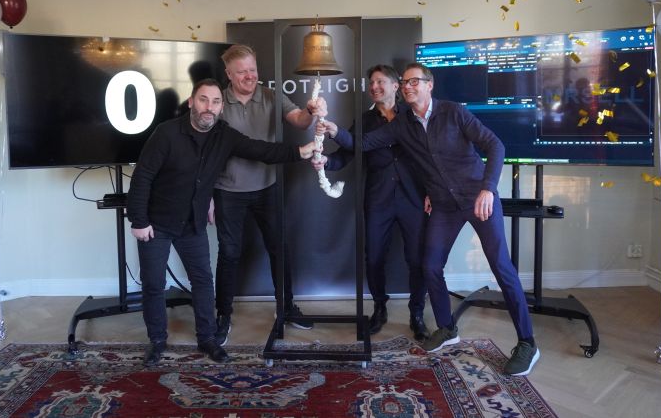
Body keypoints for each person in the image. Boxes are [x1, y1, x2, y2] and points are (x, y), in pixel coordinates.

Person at [316, 63, 540, 376]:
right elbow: (364, 144)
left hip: (478, 199)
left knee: (501, 266)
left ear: (429, 85)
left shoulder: (453, 112)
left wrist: (488, 189)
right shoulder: (403, 123)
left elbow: (495, 145)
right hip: (444, 206)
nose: (408, 87)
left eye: (413, 82)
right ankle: (447, 328)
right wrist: (333, 130)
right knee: (430, 266)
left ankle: (527, 343)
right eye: (405, 82)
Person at [126, 78, 318, 366]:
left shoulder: (223, 135)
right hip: (158, 222)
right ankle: (157, 340)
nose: (209, 107)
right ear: (191, 102)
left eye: (216, 102)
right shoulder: (166, 133)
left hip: (192, 223)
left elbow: (260, 151)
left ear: (220, 108)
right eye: (203, 100)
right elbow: (142, 177)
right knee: (154, 284)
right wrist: (138, 220)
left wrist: (301, 151)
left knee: (203, 282)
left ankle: (208, 339)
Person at [212, 44, 327, 345]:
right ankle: (222, 314)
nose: (250, 76)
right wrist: (208, 197)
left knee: (280, 248)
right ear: (228, 74)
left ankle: (286, 308)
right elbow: (210, 152)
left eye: (253, 69)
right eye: (242, 72)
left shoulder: (270, 95)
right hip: (228, 190)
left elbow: (300, 121)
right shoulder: (218, 102)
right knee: (229, 253)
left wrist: (310, 112)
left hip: (267, 186)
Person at [312, 65, 430, 341]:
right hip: (378, 199)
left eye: (380, 82)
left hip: (413, 198)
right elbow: (348, 151)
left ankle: (416, 313)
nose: (374, 86)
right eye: (371, 83)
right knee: (374, 257)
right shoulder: (365, 120)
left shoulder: (412, 114)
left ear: (395, 85)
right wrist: (326, 162)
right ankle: (379, 307)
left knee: (417, 258)